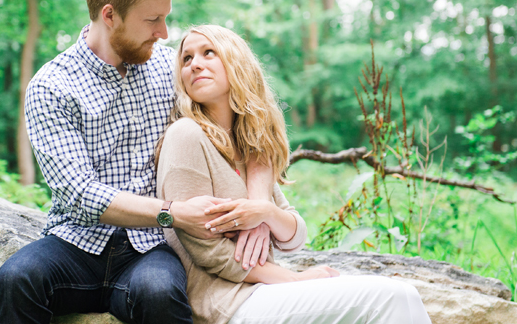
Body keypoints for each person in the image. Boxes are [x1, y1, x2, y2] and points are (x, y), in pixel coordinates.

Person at [0, 0, 271, 324]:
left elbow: (248, 121)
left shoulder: (170, 69)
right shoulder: (51, 86)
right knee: (16, 279)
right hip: (76, 244)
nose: (164, 33)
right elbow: (80, 193)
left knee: (159, 292)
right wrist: (173, 214)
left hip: (150, 249)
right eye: (153, 20)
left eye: (165, 19)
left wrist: (259, 209)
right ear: (110, 15)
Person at [156, 25, 433, 324]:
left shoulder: (248, 147)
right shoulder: (185, 135)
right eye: (186, 59)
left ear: (236, 61)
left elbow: (294, 237)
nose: (195, 64)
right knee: (394, 297)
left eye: (208, 52)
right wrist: (294, 279)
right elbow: (208, 251)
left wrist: (264, 212)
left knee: (398, 296)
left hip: (264, 293)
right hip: (229, 303)